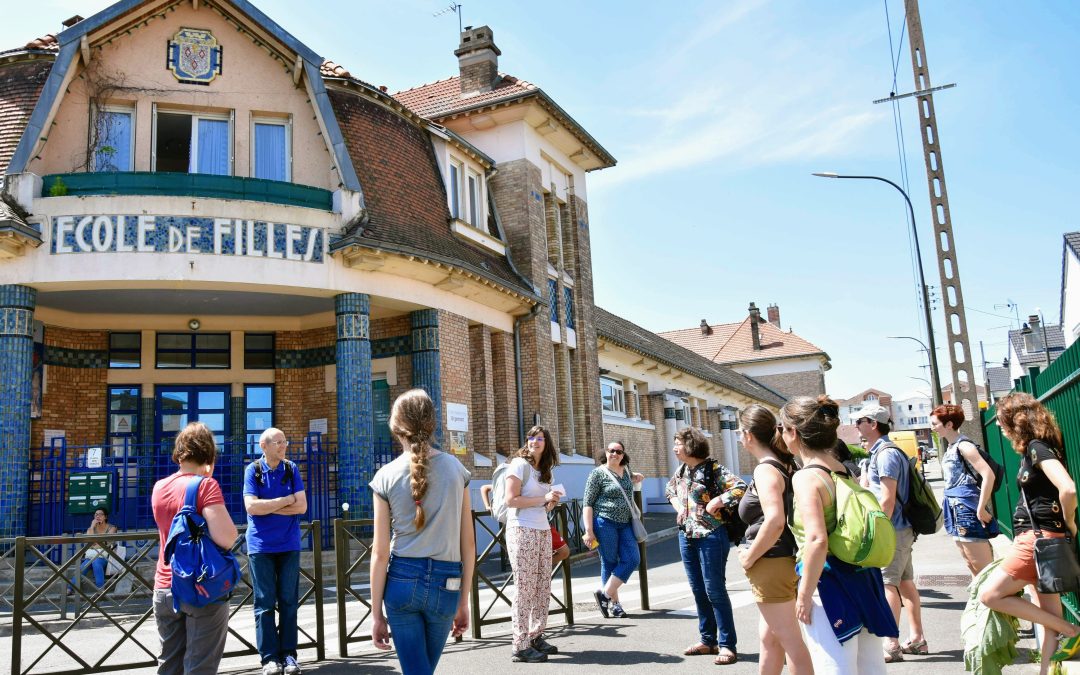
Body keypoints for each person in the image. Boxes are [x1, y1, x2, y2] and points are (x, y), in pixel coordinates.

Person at [785, 396, 896, 674]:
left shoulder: (806, 477)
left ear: (794, 433)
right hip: (863, 575)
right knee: (871, 666)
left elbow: (816, 539)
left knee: (834, 666)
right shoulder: (843, 469)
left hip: (829, 582)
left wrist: (803, 594)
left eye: (783, 428)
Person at [369, 389, 475, 675]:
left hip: (402, 579)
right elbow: (468, 546)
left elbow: (379, 553)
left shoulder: (385, 476)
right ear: (432, 423)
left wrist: (376, 613)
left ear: (395, 426)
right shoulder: (457, 470)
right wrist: (463, 600)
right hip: (448, 581)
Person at [978, 392, 1080, 673]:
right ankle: (1046, 668)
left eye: (1001, 418)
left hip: (1036, 541)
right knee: (1048, 618)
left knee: (990, 595)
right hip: (1042, 542)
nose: (998, 424)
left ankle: (1070, 629)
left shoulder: (1038, 447)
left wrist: (1069, 522)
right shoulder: (1036, 448)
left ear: (1015, 418)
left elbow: (1068, 488)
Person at [151, 421, 239, 675]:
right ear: (209, 453)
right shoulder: (206, 485)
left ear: (179, 452)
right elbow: (226, 537)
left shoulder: (159, 487)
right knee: (199, 667)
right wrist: (206, 479)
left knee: (169, 665)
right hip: (198, 587)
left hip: (164, 586)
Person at [736, 405, 813, 675]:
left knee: (790, 641)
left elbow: (775, 520)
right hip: (782, 560)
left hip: (771, 561)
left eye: (739, 431)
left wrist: (750, 555)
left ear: (748, 434)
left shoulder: (765, 470)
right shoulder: (783, 464)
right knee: (770, 639)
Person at [665, 427, 747, 666]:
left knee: (715, 591)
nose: (675, 448)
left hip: (711, 535)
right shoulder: (682, 471)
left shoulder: (714, 470)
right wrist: (679, 509)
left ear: (691, 446)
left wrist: (718, 501)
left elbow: (740, 487)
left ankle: (727, 645)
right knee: (699, 591)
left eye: (678, 443)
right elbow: (670, 490)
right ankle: (707, 640)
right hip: (687, 536)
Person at [857, 403, 926, 661]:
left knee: (889, 585)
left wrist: (878, 532)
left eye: (860, 421)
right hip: (901, 528)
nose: (856, 426)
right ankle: (917, 638)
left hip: (893, 529)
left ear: (874, 424)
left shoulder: (885, 454)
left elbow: (887, 499)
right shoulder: (886, 451)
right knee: (906, 584)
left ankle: (892, 642)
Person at [243, 428, 308, 675]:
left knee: (289, 602)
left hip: (289, 544)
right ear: (264, 446)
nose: (284, 446)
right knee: (264, 603)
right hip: (260, 546)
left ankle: (289, 655)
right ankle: (269, 659)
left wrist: (268, 507)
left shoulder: (291, 469)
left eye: (285, 442)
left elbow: (301, 506)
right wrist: (285, 500)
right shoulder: (253, 471)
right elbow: (251, 507)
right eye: (278, 442)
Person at [502, 426, 563, 663]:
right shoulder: (519, 465)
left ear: (546, 444)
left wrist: (550, 503)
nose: (535, 442)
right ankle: (519, 643)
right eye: (531, 437)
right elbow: (511, 500)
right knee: (524, 587)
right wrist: (543, 499)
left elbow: (542, 504)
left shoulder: (546, 471)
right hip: (521, 529)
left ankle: (536, 635)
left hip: (542, 529)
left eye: (540, 438)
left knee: (542, 586)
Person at [930, 404, 999, 576]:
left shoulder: (964, 446)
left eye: (935, 424)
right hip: (954, 509)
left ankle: (997, 601)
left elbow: (988, 475)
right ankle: (982, 602)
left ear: (949, 425)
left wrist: (981, 507)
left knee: (983, 569)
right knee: (970, 564)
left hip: (966, 508)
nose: (932, 428)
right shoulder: (951, 447)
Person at [582, 441, 644, 619]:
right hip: (604, 522)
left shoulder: (626, 471)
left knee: (632, 559)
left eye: (618, 451)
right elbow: (587, 504)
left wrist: (636, 477)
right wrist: (589, 530)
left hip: (625, 524)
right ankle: (615, 606)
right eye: (611, 451)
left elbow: (628, 483)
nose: (614, 454)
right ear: (606, 453)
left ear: (623, 455)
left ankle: (604, 594)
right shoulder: (597, 474)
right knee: (609, 562)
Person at [480, 484, 569, 567]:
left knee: (564, 552)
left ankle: (539, 568)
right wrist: (488, 506)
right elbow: (484, 488)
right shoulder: (512, 481)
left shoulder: (536, 482)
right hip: (521, 525)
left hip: (542, 522)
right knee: (530, 557)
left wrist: (550, 505)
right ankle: (535, 570)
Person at [81, 507, 118, 589]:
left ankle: (100, 590)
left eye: (100, 514)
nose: (98, 516)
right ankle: (70, 588)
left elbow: (106, 544)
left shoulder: (112, 528)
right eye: (96, 514)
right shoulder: (90, 529)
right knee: (83, 566)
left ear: (105, 517)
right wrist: (92, 526)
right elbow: (89, 544)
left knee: (96, 562)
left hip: (107, 556)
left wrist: (94, 544)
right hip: (92, 556)